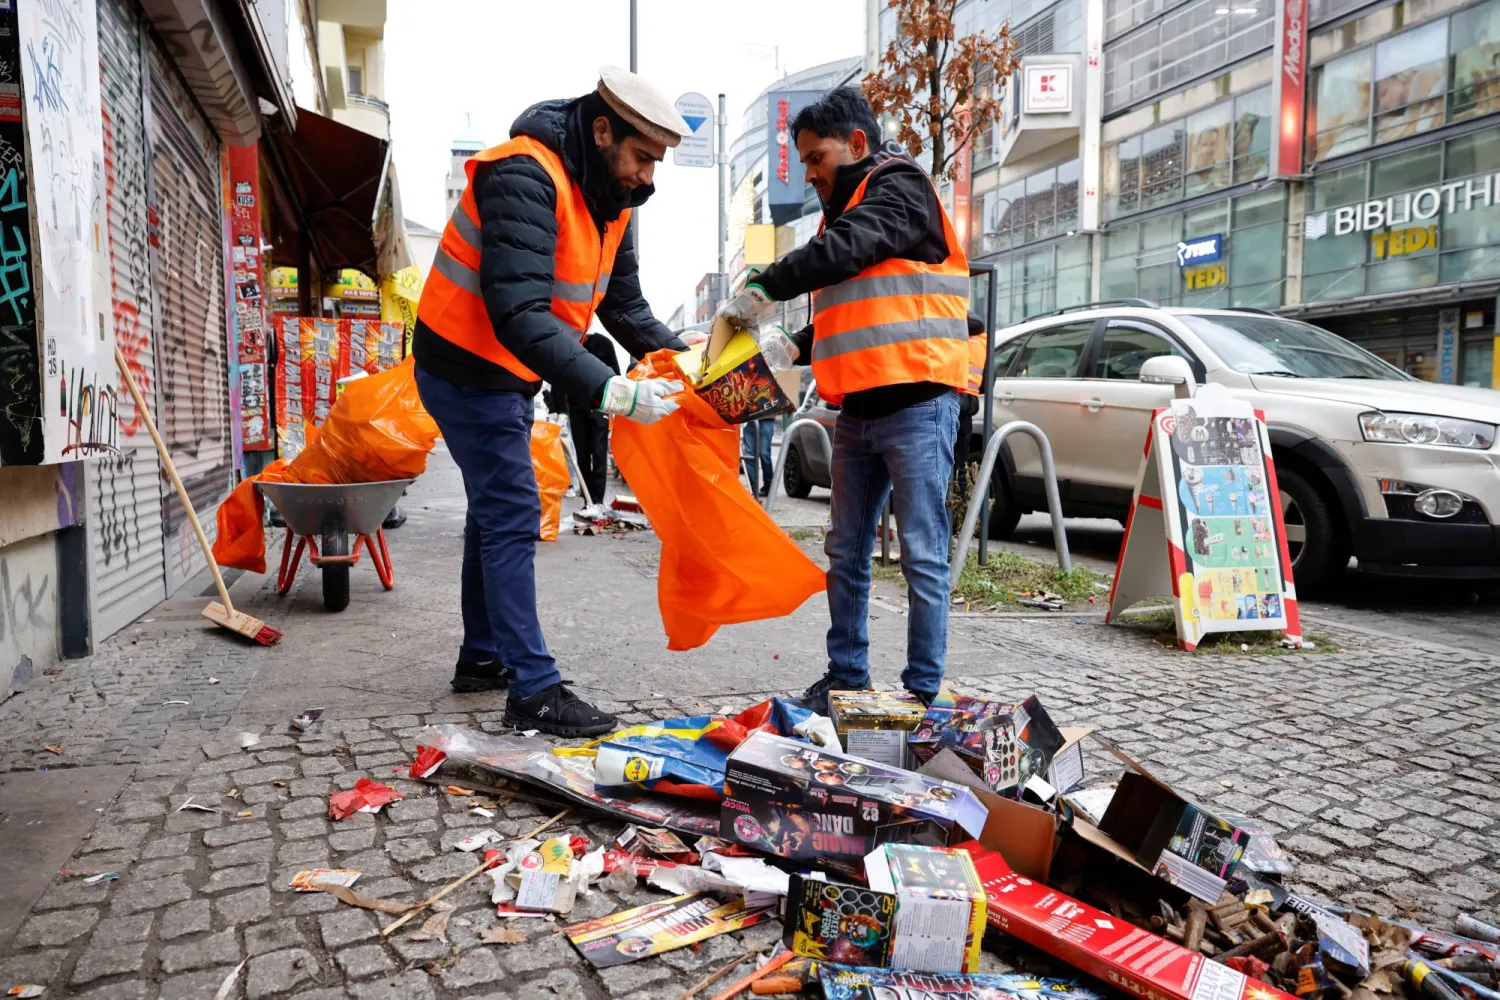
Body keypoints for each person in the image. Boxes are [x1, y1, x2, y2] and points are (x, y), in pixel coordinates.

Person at [412, 66, 688, 737]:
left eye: (658, 161)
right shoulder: (523, 175)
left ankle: (483, 658)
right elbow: (518, 312)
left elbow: (625, 308)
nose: (649, 176)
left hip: (508, 374)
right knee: (510, 506)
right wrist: (611, 388)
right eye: (641, 156)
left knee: (493, 509)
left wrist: (691, 362)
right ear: (601, 131)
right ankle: (532, 688)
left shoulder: (612, 203)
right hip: (462, 363)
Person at [717, 87, 970, 709]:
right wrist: (792, 346)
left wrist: (764, 284)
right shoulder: (848, 210)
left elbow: (851, 248)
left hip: (919, 402)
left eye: (815, 157)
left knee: (922, 555)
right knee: (846, 553)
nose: (808, 173)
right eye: (801, 161)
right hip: (858, 410)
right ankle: (846, 677)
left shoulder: (899, 187)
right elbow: (853, 310)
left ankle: (921, 695)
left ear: (857, 144)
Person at [568, 333, 621, 504]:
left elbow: (615, 373)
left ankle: (597, 501)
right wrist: (559, 409)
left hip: (600, 405)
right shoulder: (569, 342)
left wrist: (616, 402)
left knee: (599, 454)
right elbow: (559, 374)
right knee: (582, 455)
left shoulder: (603, 343)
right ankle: (587, 501)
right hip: (576, 406)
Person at [741, 416, 776, 497]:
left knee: (764, 454)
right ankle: (753, 488)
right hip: (750, 420)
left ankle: (768, 487)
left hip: (767, 419)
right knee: (748, 455)